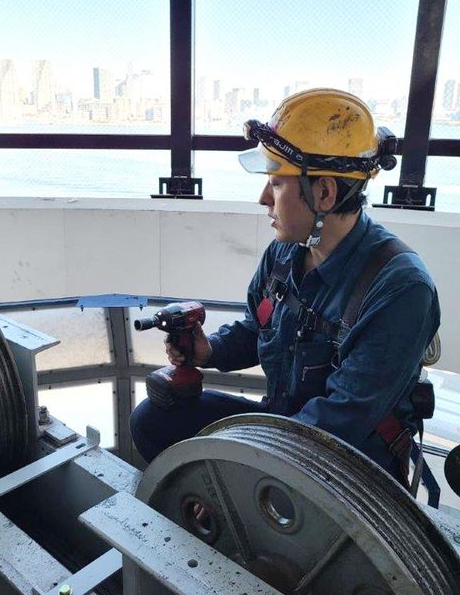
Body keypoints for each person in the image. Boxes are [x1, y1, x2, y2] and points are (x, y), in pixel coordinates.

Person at [130, 88, 440, 486]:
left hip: (346, 466)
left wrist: (240, 466)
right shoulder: (285, 253)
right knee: (153, 420)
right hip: (283, 427)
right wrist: (210, 350)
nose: (264, 199)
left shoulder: (401, 288)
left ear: (323, 193)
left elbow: (341, 419)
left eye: (276, 184)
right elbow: (258, 328)